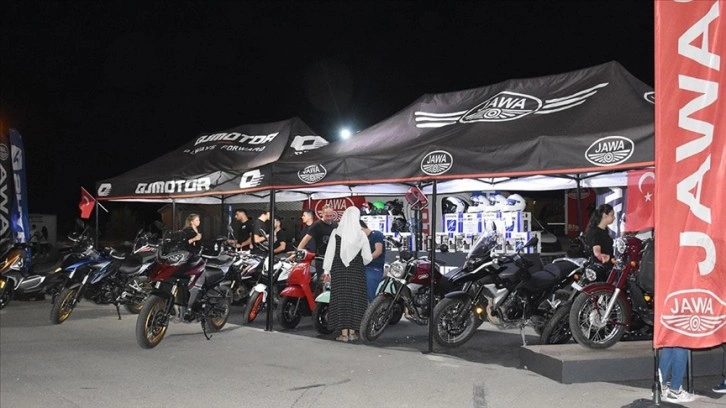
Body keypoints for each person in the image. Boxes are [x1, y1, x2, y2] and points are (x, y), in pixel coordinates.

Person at [322, 207, 372, 342]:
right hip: (356, 271)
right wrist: (360, 262)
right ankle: (353, 333)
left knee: (341, 299)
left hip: (339, 270)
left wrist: (326, 271)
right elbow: (367, 257)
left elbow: (330, 253)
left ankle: (343, 334)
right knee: (355, 300)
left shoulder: (336, 233)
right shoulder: (361, 235)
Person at [296, 205, 338, 276]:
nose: (329, 218)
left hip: (333, 257)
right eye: (327, 216)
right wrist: (298, 253)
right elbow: (305, 240)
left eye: (331, 216)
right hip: (321, 258)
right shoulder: (317, 225)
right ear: (322, 214)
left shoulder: (335, 224)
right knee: (322, 279)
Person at [182, 213, 203, 320]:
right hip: (189, 257)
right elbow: (185, 243)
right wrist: (195, 238)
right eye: (197, 220)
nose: (199, 221)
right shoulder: (187, 231)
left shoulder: (196, 230)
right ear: (191, 221)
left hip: (196, 255)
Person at [360, 220, 385, 302]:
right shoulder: (361, 239)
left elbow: (378, 251)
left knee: (369, 284)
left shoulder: (377, 235)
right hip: (363, 267)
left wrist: (366, 260)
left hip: (374, 267)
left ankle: (372, 305)